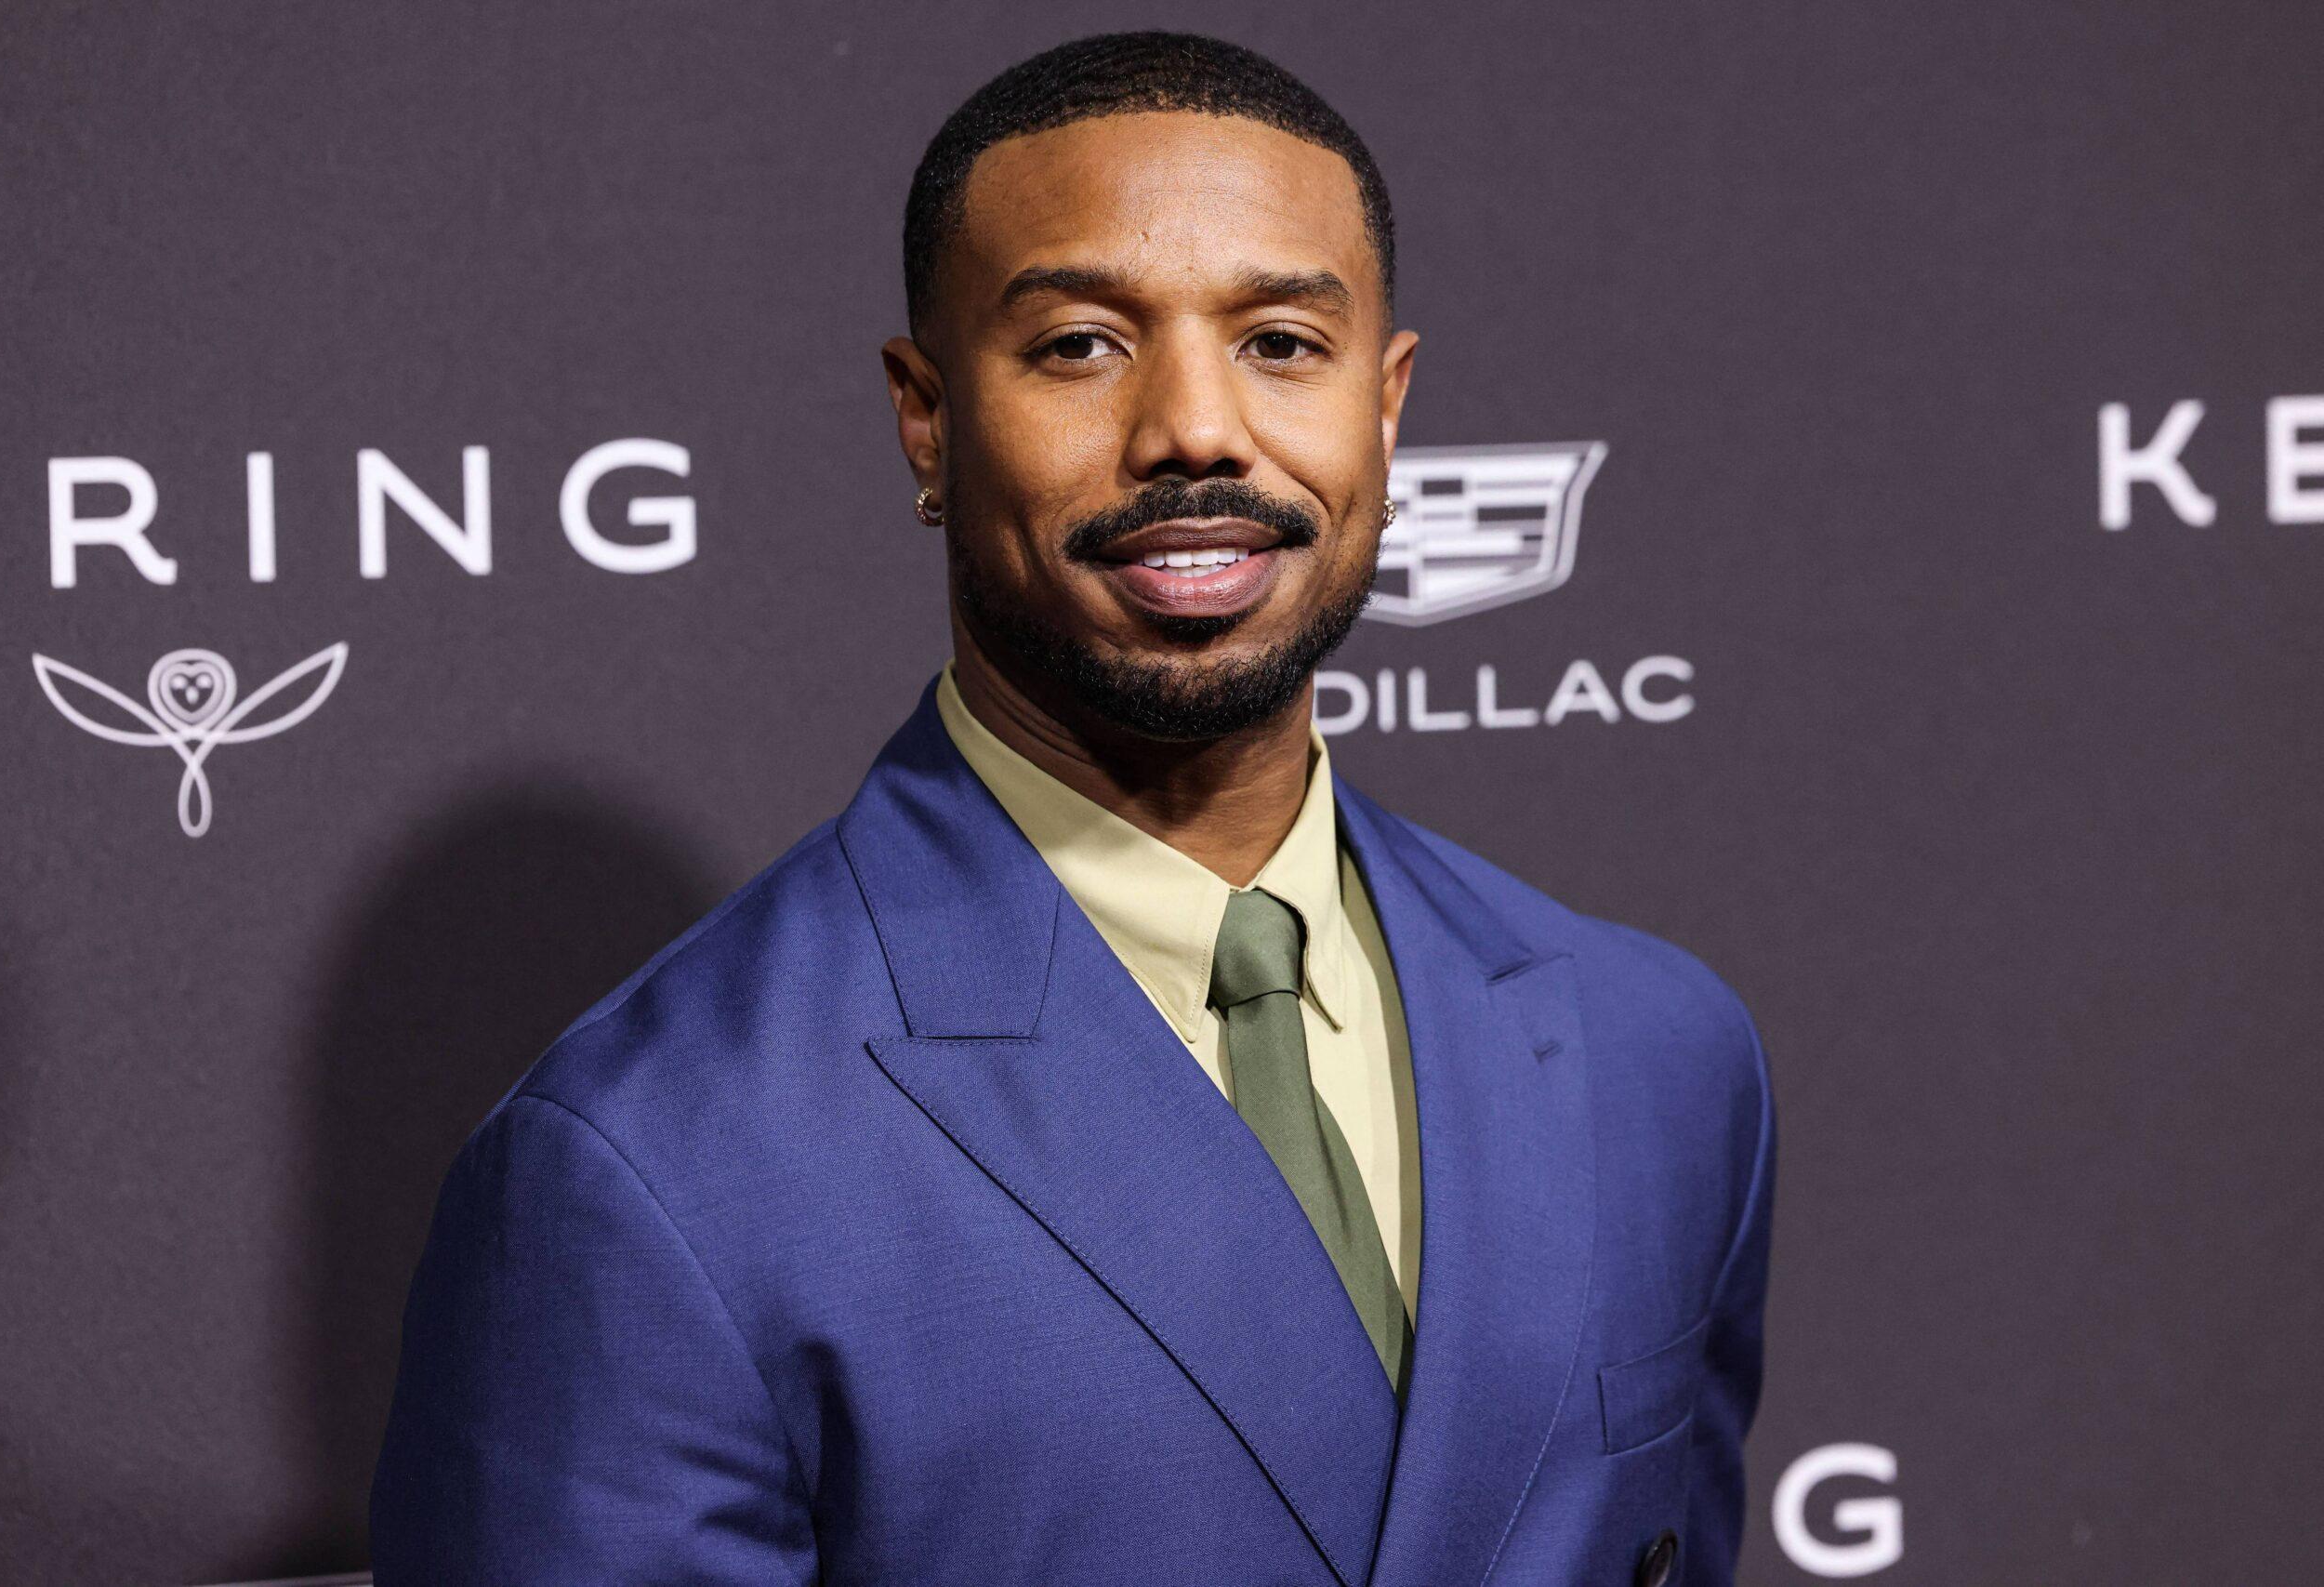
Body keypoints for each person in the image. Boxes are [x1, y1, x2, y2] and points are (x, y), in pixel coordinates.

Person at [370, 29, 1774, 1587]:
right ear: (924, 415)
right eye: (1082, 345)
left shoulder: (1661, 1052)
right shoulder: (649, 1168)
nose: (1195, 426)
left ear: (1388, 407)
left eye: (1283, 345)